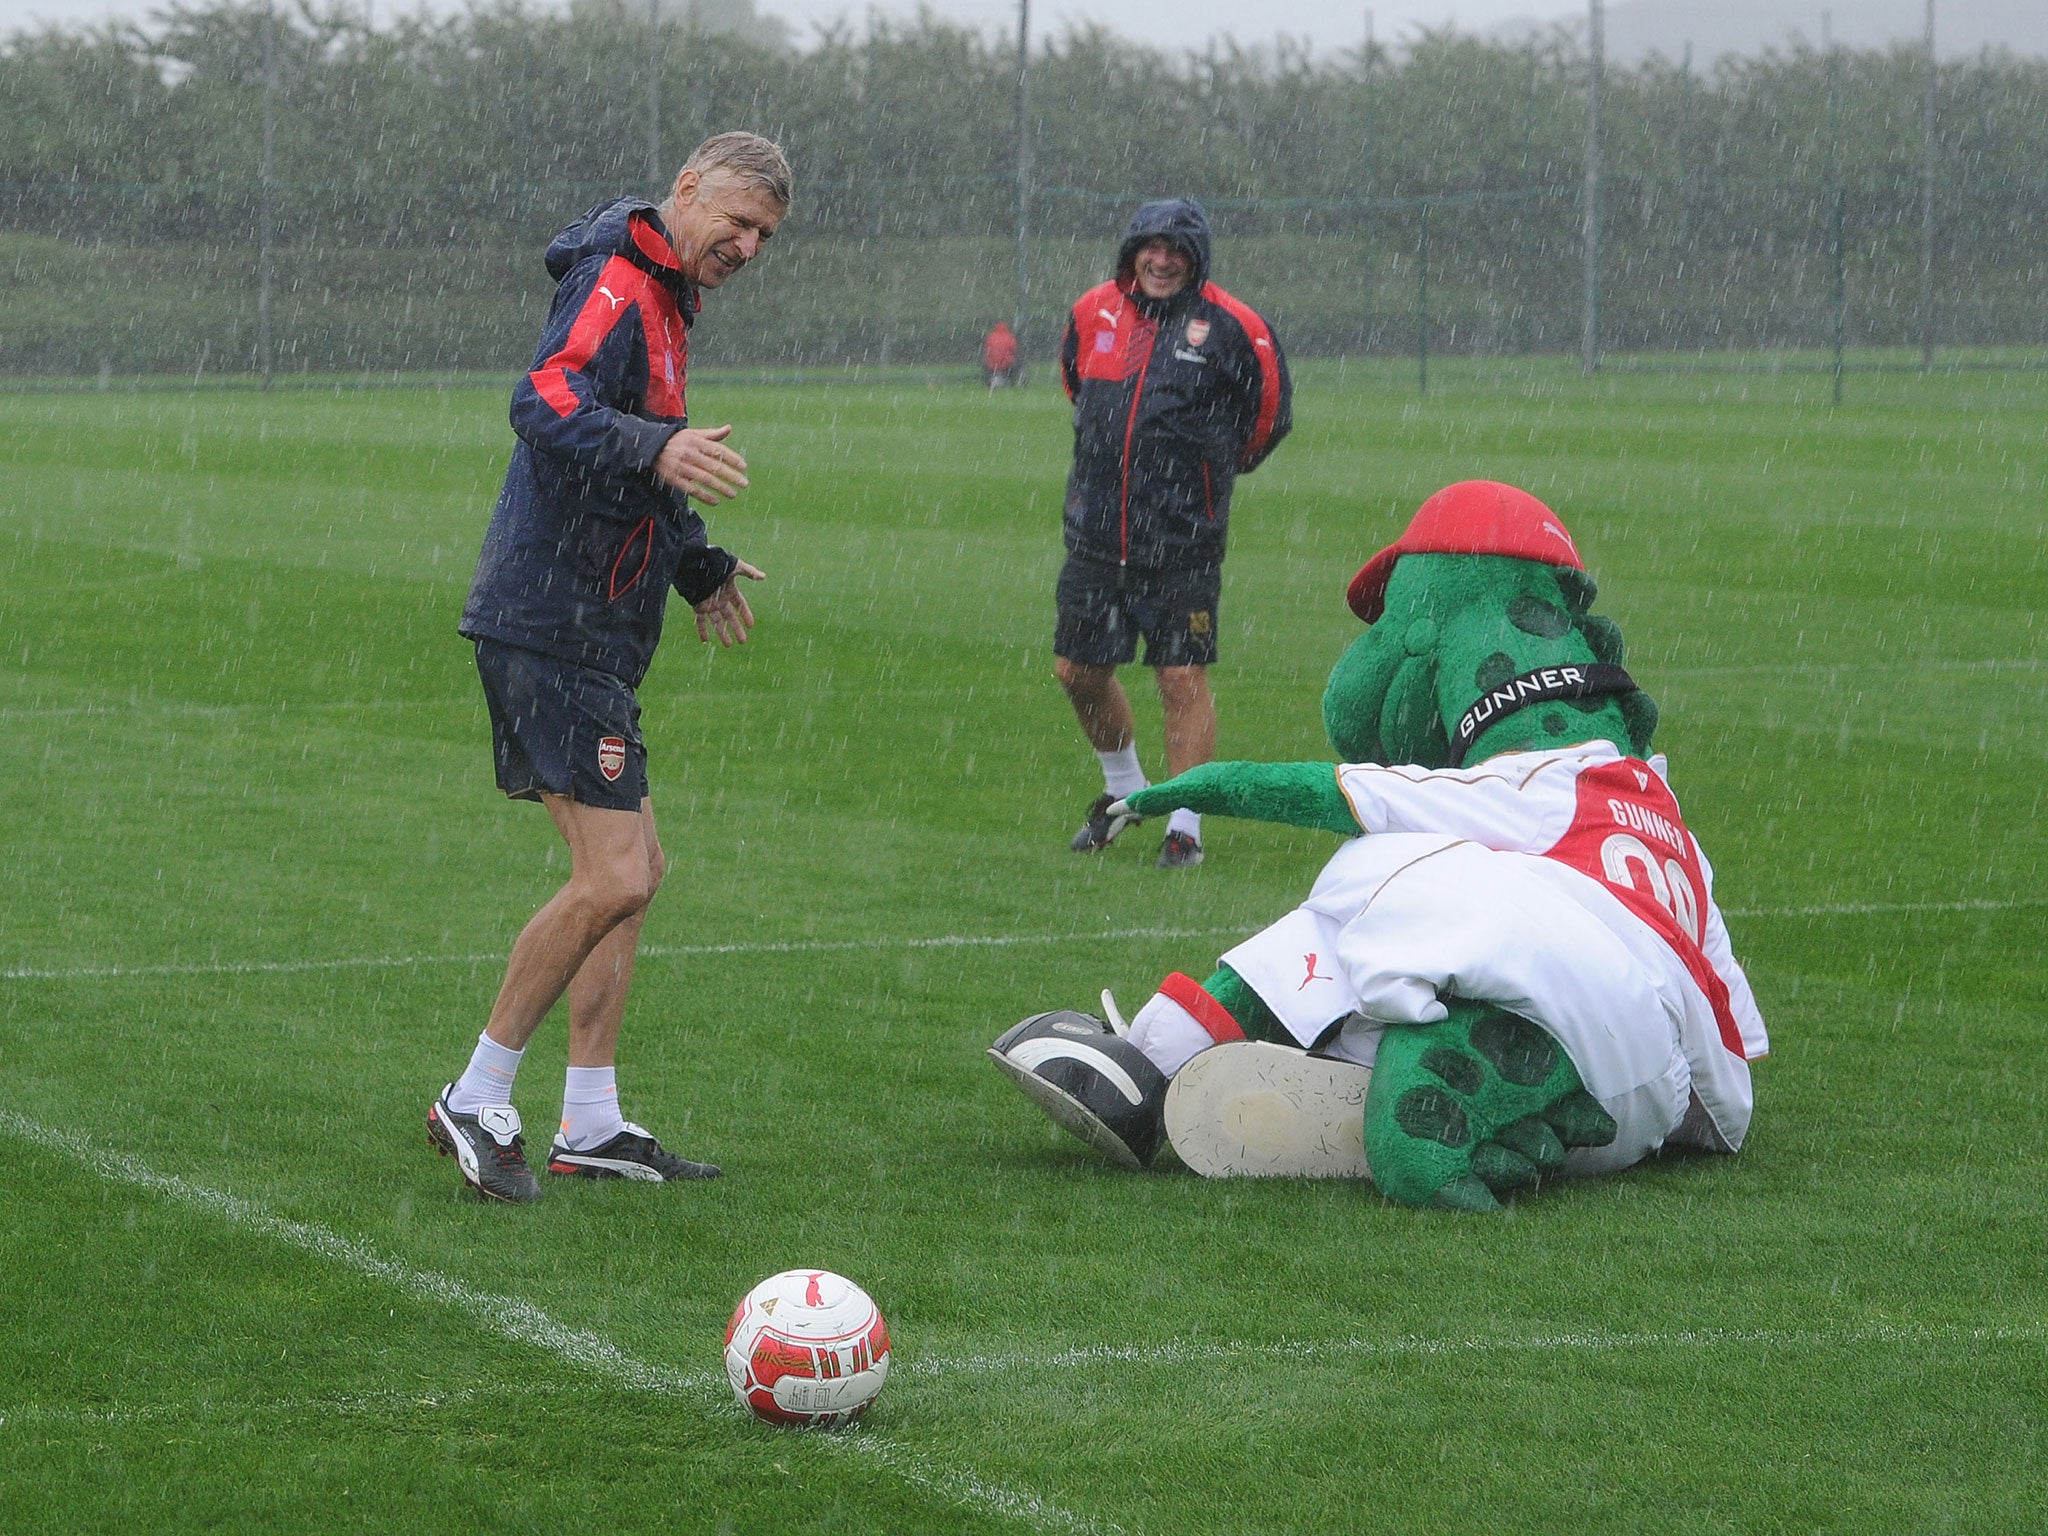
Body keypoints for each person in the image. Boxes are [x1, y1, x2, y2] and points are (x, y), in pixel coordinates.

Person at [426, 131, 791, 1203]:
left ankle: (589, 1120)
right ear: (685, 190)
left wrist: (696, 562)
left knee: (637, 873)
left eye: (764, 235)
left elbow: (636, 462)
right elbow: (543, 398)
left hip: (585, 626)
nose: (747, 244)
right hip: (552, 621)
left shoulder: (666, 303)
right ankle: (477, 1091)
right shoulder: (620, 282)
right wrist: (655, 447)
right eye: (734, 219)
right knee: (616, 873)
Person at [1054, 198, 1292, 869]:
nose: (1161, 261)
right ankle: (1126, 791)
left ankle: (1184, 825)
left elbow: (1268, 417)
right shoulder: (1091, 311)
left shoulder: (1234, 326)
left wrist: (1203, 479)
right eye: (1149, 248)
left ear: (1196, 258)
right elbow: (1080, 390)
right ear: (1132, 252)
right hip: (1098, 534)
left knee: (1180, 677)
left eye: (1176, 250)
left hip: (1183, 541)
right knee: (1077, 669)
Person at [982, 320, 1020, 387]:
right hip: (1005, 363)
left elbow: (986, 350)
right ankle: (1010, 381)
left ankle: (992, 380)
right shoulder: (1010, 337)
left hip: (991, 363)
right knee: (1015, 363)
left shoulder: (990, 337)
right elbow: (1014, 350)